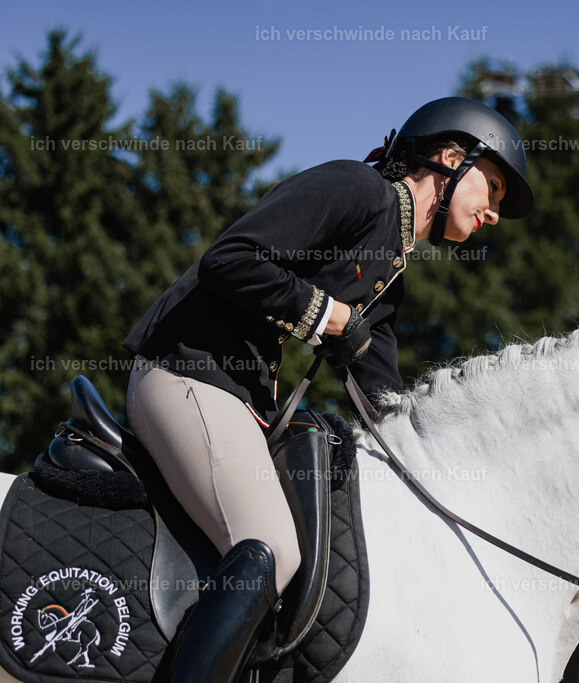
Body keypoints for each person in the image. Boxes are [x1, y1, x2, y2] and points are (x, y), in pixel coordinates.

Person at [122, 97, 534, 681]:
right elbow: (229, 259)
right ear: (448, 159)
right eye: (491, 188)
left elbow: (386, 403)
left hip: (234, 399)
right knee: (272, 548)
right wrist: (325, 315)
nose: (492, 211)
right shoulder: (355, 188)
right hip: (187, 372)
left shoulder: (390, 267)